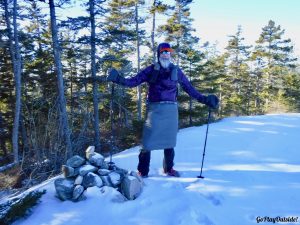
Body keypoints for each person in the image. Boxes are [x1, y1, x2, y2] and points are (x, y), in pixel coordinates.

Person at [107, 42, 219, 177]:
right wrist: (118, 79)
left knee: (169, 141)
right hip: (155, 110)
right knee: (147, 143)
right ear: (159, 54)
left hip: (171, 110)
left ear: (170, 54)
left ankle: (169, 168)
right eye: (163, 52)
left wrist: (205, 100)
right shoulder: (151, 70)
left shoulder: (176, 71)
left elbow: (190, 89)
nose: (166, 54)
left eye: (168, 52)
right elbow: (133, 82)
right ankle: (143, 172)